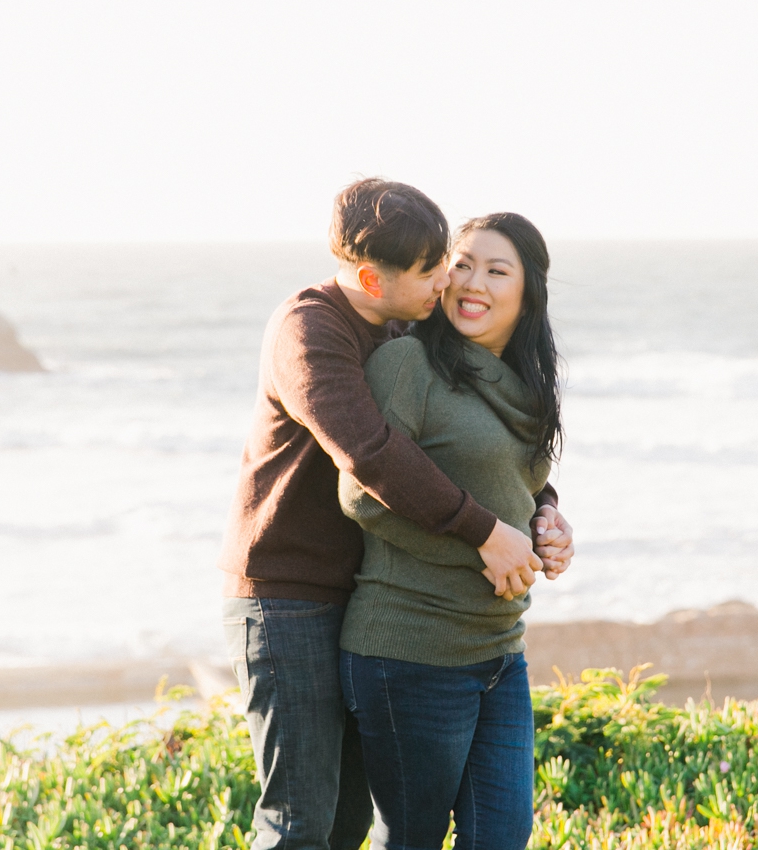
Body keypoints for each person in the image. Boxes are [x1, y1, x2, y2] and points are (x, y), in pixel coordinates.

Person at [217, 181, 575, 850]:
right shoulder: (310, 329)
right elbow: (372, 456)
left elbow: (483, 455)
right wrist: (486, 535)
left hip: (358, 593)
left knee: (349, 823)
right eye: (435, 267)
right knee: (301, 822)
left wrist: (541, 512)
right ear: (370, 280)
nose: (450, 278)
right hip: (287, 596)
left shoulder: (401, 323)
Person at [338, 212, 562, 850]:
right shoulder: (409, 364)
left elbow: (509, 483)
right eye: (462, 263)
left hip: (499, 652)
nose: (473, 282)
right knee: (412, 839)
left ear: (528, 290)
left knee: (500, 837)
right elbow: (364, 494)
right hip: (410, 650)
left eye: (497, 270)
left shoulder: (525, 385)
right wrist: (483, 543)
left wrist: (546, 521)